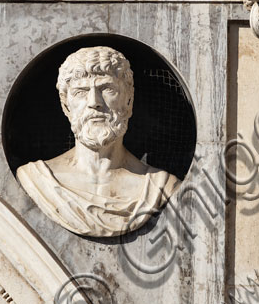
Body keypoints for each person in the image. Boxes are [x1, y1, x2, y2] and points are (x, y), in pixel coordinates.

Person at [17, 46, 179, 237]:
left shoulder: (161, 186)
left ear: (128, 101)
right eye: (81, 92)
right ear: (66, 106)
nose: (94, 102)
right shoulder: (36, 179)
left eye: (107, 89)